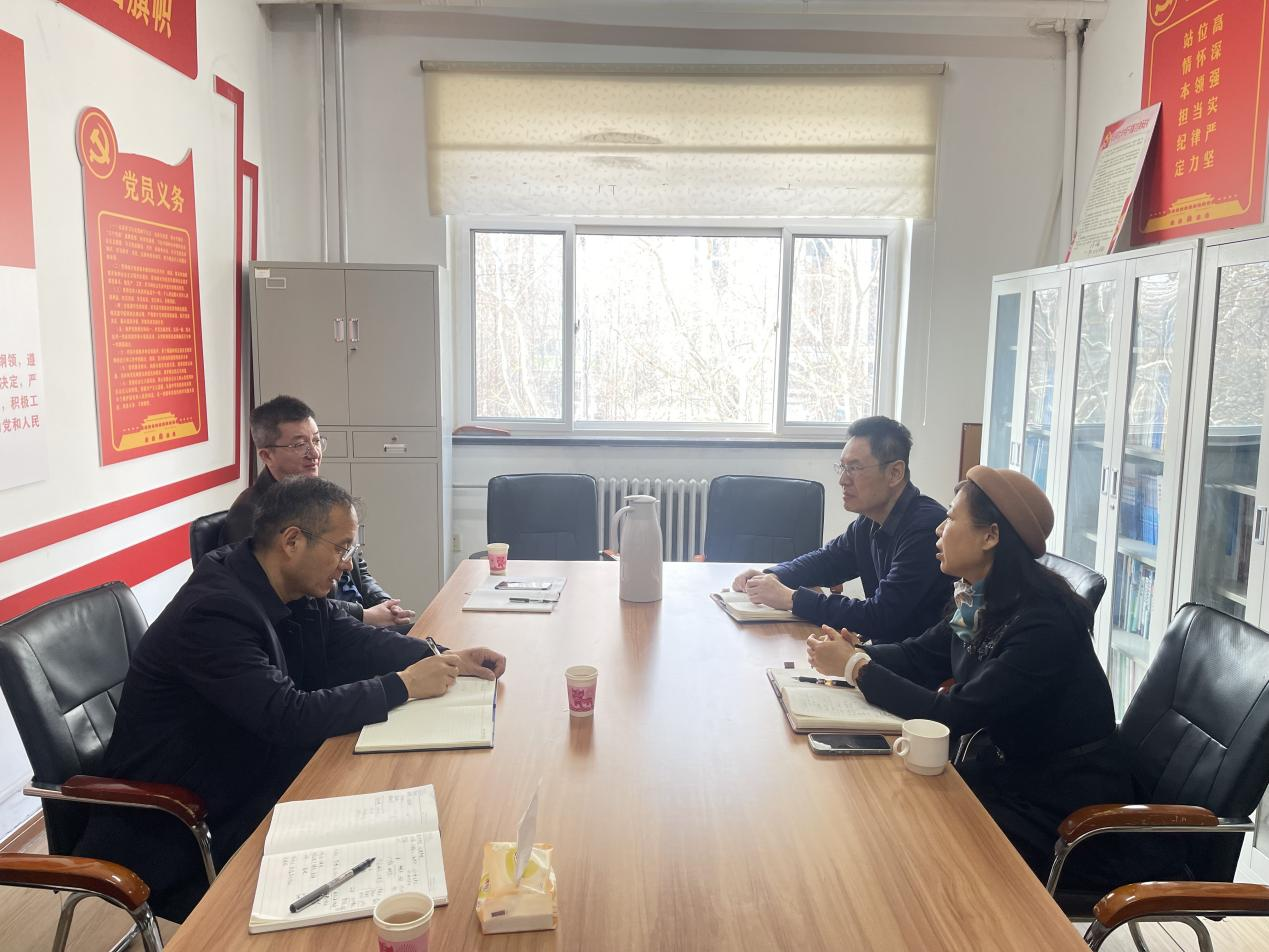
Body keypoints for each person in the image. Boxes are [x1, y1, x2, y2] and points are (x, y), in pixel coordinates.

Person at [75, 477, 507, 920]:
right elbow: (287, 715)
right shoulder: (213, 612)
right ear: (292, 541)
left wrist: (440, 656)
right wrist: (404, 685)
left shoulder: (278, 579)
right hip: (186, 816)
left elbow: (347, 639)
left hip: (250, 768)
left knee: (403, 803)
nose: (347, 566)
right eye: (341, 549)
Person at [805, 465, 1171, 889]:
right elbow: (922, 655)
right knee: (890, 802)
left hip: (1062, 809)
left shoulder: (1043, 623)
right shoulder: (981, 598)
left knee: (908, 835)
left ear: (990, 536)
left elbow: (954, 713)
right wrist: (855, 652)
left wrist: (854, 667)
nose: (938, 530)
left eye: (950, 518)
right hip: (1012, 775)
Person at [732, 416, 951, 643]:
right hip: (886, 654)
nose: (843, 480)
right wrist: (772, 575)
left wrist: (791, 599)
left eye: (854, 468)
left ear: (895, 473)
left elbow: (880, 614)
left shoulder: (926, 528)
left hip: (911, 662)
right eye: (843, 468)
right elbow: (826, 561)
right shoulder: (868, 522)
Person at [225, 394, 414, 628]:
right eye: (299, 445)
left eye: (316, 440)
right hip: (321, 628)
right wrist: (364, 615)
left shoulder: (318, 496)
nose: (314, 453)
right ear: (266, 455)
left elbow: (356, 565)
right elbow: (283, 601)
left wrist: (382, 602)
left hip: (354, 617)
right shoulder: (251, 516)